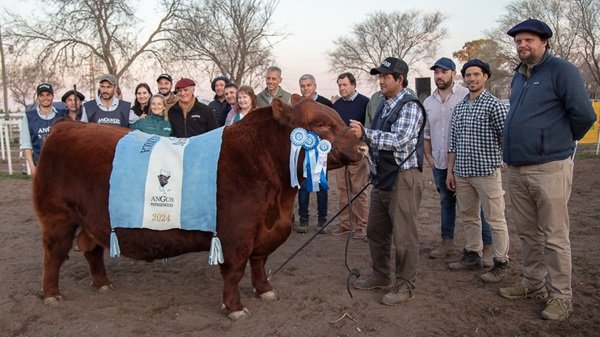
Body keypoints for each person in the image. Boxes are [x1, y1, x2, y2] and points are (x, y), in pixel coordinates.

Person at [499, 19, 597, 321]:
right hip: (517, 168)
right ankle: (532, 283)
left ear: (544, 42)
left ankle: (560, 296)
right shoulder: (518, 76)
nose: (522, 45)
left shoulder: (561, 71)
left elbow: (583, 115)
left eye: (528, 40)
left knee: (554, 235)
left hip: (550, 167)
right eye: (518, 41)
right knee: (528, 233)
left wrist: (557, 143)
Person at [350, 57, 425, 305]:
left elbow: (400, 140)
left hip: (403, 178)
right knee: (375, 231)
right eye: (379, 76)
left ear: (400, 80)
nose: (380, 80)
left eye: (385, 76)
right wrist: (367, 152)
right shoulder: (383, 104)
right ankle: (381, 275)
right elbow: (380, 141)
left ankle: (405, 285)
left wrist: (366, 134)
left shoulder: (410, 106)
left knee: (404, 236)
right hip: (382, 177)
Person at [423, 57, 494, 265]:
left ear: (453, 74)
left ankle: (487, 245)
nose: (439, 76)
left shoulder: (466, 95)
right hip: (440, 162)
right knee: (446, 202)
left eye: (443, 72)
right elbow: (426, 132)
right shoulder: (428, 102)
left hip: (467, 163)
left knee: (477, 206)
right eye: (436, 72)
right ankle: (447, 242)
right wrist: (428, 156)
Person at [445, 59, 510, 284]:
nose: (472, 79)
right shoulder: (460, 107)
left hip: (487, 172)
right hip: (462, 173)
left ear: (485, 77)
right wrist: (450, 172)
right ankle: (473, 254)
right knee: (469, 217)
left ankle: (501, 262)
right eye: (468, 75)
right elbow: (453, 143)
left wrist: (503, 162)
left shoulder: (494, 105)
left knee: (495, 219)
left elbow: (506, 137)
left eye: (476, 75)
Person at [331, 72, 370, 239]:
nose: (342, 88)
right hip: (341, 155)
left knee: (359, 190)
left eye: (344, 85)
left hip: (357, 154)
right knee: (343, 189)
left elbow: (368, 128)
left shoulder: (365, 102)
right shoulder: (337, 105)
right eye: (339, 85)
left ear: (353, 85)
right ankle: (346, 224)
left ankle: (362, 226)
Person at [294, 74, 332, 234]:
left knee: (322, 186)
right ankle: (303, 220)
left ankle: (322, 220)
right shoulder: (298, 105)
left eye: (308, 85)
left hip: (322, 151)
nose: (305, 88)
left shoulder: (326, 104)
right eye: (303, 86)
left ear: (315, 86)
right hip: (303, 152)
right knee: (303, 186)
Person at [20, 83, 65, 176]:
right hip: (40, 164)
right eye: (42, 95)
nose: (45, 98)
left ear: (52, 96)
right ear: (38, 97)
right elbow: (26, 145)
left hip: (61, 165)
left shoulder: (62, 115)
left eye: (48, 95)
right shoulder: (29, 117)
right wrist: (32, 167)